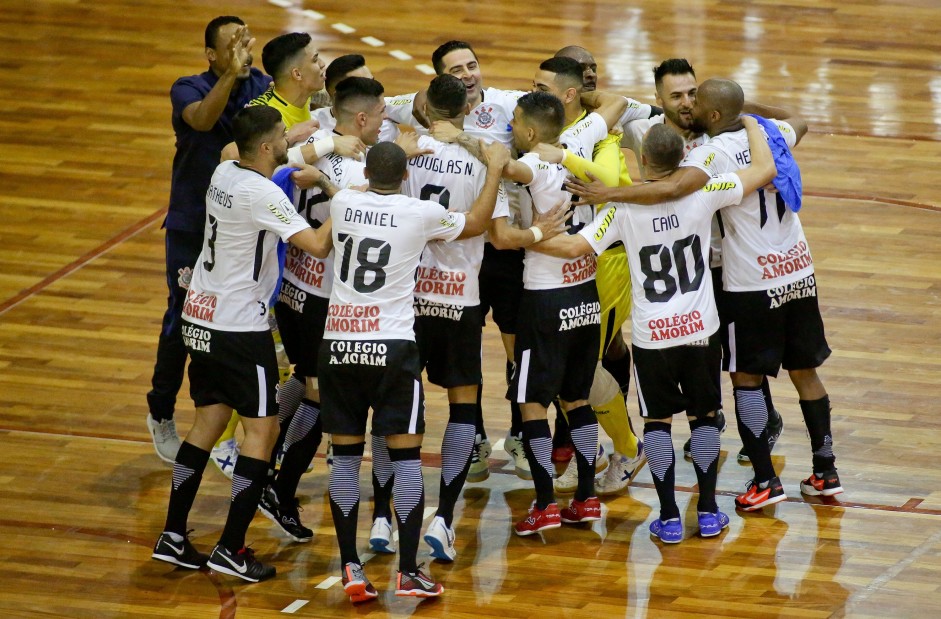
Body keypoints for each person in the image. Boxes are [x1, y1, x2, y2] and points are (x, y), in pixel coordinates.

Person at [571, 78, 841, 509]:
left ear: (713, 116)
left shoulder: (710, 154)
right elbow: (799, 120)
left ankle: (766, 480)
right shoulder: (772, 132)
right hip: (797, 269)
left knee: (745, 379)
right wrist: (747, 114)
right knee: (805, 371)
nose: (688, 104)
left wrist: (611, 194)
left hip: (751, 280)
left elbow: (675, 188)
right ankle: (826, 470)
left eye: (698, 101)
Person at [533, 117, 776, 542]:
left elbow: (573, 246)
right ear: (684, 156)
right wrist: (754, 126)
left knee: (658, 424)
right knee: (704, 419)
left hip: (653, 337)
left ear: (643, 161)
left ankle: (667, 516)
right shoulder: (703, 192)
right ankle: (707, 510)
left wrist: (523, 238)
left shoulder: (621, 209)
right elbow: (763, 171)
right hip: (701, 328)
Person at [320, 139, 509, 602]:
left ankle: (351, 565)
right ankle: (407, 571)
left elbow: (361, 187)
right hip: (391, 347)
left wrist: (390, 157)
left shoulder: (344, 201)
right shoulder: (418, 212)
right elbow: (479, 223)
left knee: (344, 458)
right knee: (406, 459)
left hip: (339, 344)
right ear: (406, 177)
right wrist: (496, 169)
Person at [150, 105, 333, 582]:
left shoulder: (225, 169)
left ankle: (173, 535)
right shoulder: (259, 192)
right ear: (269, 147)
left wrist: (300, 147)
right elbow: (315, 244)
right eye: (282, 139)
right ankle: (231, 547)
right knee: (261, 433)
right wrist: (345, 197)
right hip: (237, 327)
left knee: (208, 421)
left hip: (200, 315)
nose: (287, 143)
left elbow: (238, 146)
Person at [387, 74, 564, 562]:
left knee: (400, 406)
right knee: (463, 402)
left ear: (423, 106)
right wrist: (536, 232)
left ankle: (384, 516)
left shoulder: (405, 150)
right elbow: (500, 235)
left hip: (405, 298)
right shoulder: (487, 158)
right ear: (468, 105)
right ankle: (443, 518)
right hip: (457, 298)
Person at [257, 76, 389, 544]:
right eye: (379, 115)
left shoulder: (311, 142)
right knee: (319, 395)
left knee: (300, 377)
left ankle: (256, 455)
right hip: (323, 300)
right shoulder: (356, 169)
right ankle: (278, 486)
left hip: (292, 287)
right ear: (360, 118)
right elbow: (364, 226)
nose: (384, 122)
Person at [392, 41, 530, 481]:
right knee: (463, 362)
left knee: (515, 348)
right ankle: (472, 442)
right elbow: (368, 106)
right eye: (457, 69)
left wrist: (463, 138)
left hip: (499, 254)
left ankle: (521, 435)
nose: (468, 74)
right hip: (459, 250)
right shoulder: (414, 109)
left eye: (473, 65)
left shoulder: (510, 103)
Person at [146, 16, 271, 465]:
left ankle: (237, 426)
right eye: (232, 43)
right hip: (193, 226)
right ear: (211, 56)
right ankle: (160, 410)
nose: (243, 47)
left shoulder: (264, 83)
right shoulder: (189, 87)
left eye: (246, 38)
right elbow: (202, 121)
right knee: (184, 318)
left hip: (240, 231)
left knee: (246, 320)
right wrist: (232, 76)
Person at [529, 55, 650, 496]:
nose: (533, 91)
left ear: (568, 94)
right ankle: (601, 444)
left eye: (542, 86)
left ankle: (627, 446)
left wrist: (561, 156)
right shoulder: (537, 129)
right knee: (576, 370)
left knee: (582, 371)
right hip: (565, 264)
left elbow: (608, 180)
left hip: (609, 262)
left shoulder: (603, 136)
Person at [496, 91, 603, 536]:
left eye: (516, 122)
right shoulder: (578, 158)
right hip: (586, 296)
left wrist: (477, 146)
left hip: (546, 299)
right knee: (577, 399)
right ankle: (586, 497)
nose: (512, 129)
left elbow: (507, 168)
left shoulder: (536, 164)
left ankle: (544, 503)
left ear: (532, 130)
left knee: (532, 402)